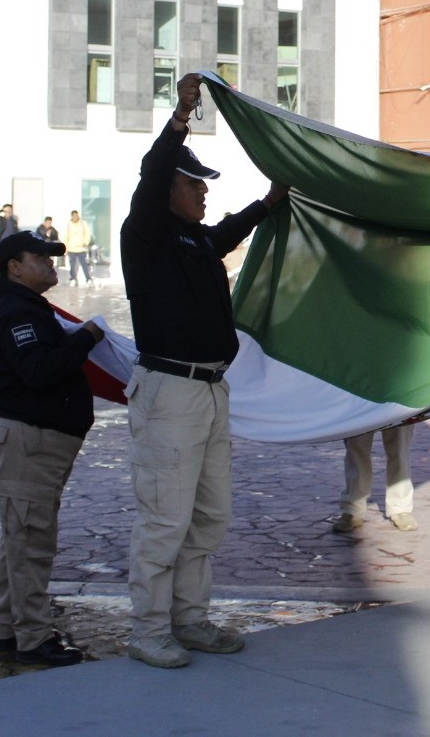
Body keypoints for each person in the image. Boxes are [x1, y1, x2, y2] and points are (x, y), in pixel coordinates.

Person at [121, 72, 289, 669]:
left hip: (211, 392)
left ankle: (190, 619)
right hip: (169, 391)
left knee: (209, 513)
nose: (203, 194)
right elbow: (150, 176)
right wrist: (180, 115)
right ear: (169, 187)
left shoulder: (192, 240)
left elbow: (223, 234)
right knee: (165, 517)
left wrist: (265, 207)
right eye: (195, 184)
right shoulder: (144, 235)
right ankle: (148, 629)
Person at [0, 231, 104, 667]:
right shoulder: (18, 312)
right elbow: (39, 369)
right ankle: (32, 639)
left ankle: (11, 632)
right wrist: (86, 337)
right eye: (41, 257)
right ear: (14, 266)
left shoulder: (26, 308)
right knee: (30, 543)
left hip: (34, 442)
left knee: (18, 541)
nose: (52, 264)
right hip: (27, 442)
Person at [332, 426, 417, 533]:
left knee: (400, 448)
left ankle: (401, 509)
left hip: (398, 409)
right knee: (355, 447)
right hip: (359, 409)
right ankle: (353, 509)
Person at [64, 209, 95, 286]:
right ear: (72, 216)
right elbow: (65, 236)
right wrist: (66, 247)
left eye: (76, 215)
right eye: (73, 216)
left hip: (81, 248)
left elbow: (88, 234)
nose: (75, 217)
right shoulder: (69, 224)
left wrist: (85, 242)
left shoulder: (83, 224)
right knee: (72, 265)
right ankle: (73, 279)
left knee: (84, 264)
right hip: (72, 248)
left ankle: (88, 279)